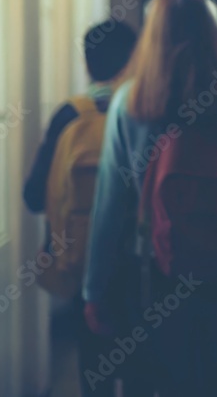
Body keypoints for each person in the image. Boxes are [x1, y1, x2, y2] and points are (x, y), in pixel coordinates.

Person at [82, 0, 217, 396]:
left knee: (166, 382)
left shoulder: (131, 102)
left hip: (155, 270)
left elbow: (109, 204)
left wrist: (95, 288)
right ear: (212, 36)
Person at [23, 20, 138, 397]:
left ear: (87, 62)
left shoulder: (69, 115)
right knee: (143, 367)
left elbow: (34, 195)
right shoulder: (144, 112)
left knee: (95, 367)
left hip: (81, 262)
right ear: (134, 59)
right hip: (141, 262)